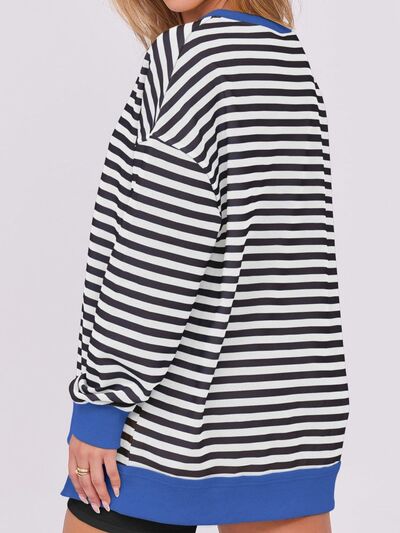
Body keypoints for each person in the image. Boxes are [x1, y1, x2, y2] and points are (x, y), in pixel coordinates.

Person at [60, 1, 350, 532]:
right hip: (291, 425)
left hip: (161, 428)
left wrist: (101, 404)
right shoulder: (288, 60)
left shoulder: (192, 58)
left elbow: (155, 253)